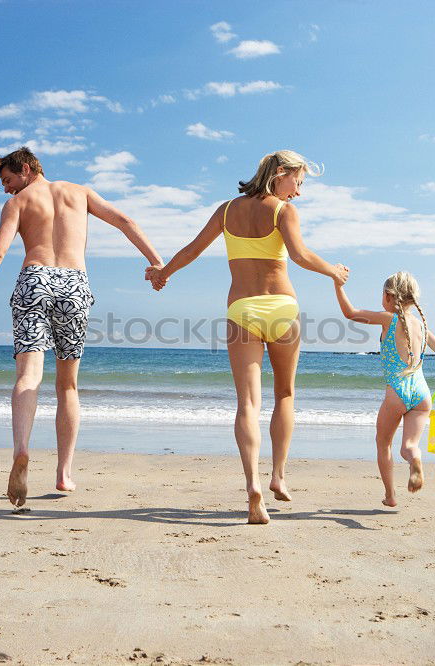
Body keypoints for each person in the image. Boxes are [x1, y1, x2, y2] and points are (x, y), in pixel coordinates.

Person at [0, 147, 164, 505]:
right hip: (74, 284)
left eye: (7, 180)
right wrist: (158, 263)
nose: (5, 189)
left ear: (25, 168)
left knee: (27, 376)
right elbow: (125, 221)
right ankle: (64, 473)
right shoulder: (80, 192)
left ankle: (21, 449)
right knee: (67, 384)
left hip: (34, 280)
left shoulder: (18, 204)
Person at [147, 150, 349, 524]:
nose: (299, 193)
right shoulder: (282, 211)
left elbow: (192, 250)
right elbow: (301, 256)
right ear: (282, 173)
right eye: (298, 182)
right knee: (285, 393)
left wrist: (164, 272)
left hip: (242, 310)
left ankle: (253, 486)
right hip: (281, 308)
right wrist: (334, 272)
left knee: (247, 404)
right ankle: (278, 476)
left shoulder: (227, 210)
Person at [333, 271, 435, 507]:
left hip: (397, 392)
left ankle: (390, 495)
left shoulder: (388, 319)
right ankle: (415, 459)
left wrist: (338, 285)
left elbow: (350, 313)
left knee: (383, 443)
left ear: (389, 296)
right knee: (409, 446)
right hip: (422, 394)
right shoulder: (421, 326)